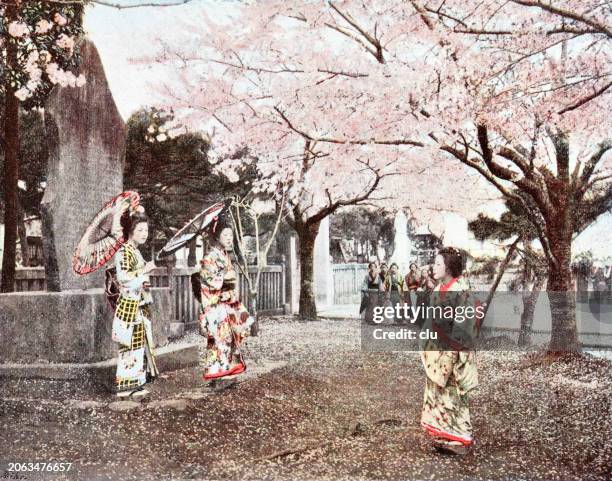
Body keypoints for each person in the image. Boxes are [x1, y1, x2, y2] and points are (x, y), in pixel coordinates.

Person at [420, 247, 479, 455]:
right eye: (434, 263)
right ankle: (445, 432)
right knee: (438, 393)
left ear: (449, 267)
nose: (433, 267)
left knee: (455, 394)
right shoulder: (438, 289)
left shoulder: (462, 291)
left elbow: (463, 326)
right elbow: (430, 321)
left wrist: (451, 353)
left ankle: (462, 438)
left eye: (438, 264)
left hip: (454, 349)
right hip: (437, 349)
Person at [199, 221, 254, 390]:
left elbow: (230, 281)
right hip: (217, 305)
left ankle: (228, 373)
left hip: (228, 303)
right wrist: (227, 279)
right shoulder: (209, 258)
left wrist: (229, 285)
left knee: (229, 340)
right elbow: (213, 284)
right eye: (226, 235)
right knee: (218, 341)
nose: (230, 238)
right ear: (216, 237)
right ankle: (217, 376)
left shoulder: (224, 255)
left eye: (231, 235)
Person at [112, 208, 159, 398]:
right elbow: (124, 279)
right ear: (130, 231)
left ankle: (136, 383)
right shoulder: (124, 252)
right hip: (129, 306)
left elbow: (138, 278)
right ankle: (126, 386)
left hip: (138, 305)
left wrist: (145, 275)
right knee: (130, 345)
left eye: (145, 230)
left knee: (139, 344)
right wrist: (143, 272)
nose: (144, 234)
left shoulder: (136, 253)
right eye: (140, 230)